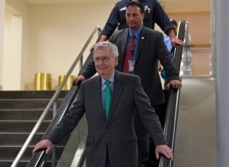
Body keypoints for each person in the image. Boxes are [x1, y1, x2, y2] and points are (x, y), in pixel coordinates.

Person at [74, 1, 182, 166]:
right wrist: (84, 74)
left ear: (142, 16)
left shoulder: (154, 36)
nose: (131, 18)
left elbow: (165, 59)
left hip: (144, 94)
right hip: (121, 94)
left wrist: (173, 77)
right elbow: (103, 56)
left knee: (141, 137)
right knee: (122, 138)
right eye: (128, 15)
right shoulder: (118, 36)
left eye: (135, 15)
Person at [33, 41, 173, 167]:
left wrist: (160, 142)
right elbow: (71, 118)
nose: (101, 63)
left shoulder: (132, 83)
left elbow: (148, 114)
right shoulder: (87, 86)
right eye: (97, 59)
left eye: (105, 58)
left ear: (115, 60)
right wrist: (50, 139)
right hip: (96, 154)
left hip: (124, 154)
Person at [96, 0, 183, 47]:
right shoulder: (120, 5)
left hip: (145, 44)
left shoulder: (152, 3)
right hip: (123, 45)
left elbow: (165, 22)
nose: (131, 18)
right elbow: (109, 26)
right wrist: (100, 43)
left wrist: (173, 38)